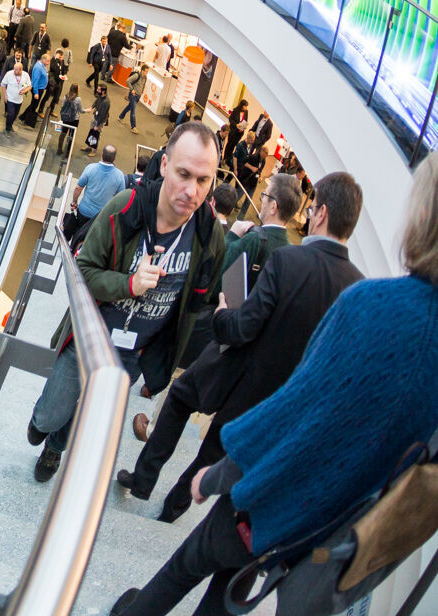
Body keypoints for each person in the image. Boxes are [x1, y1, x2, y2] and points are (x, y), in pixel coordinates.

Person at [109, 155, 438, 616]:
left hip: (273, 488)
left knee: (187, 567)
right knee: (228, 598)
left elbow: (300, 405)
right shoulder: (356, 285)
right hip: (327, 531)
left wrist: (221, 475)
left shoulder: (369, 302)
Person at [117, 173, 359, 524]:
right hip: (273, 390)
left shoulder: (289, 262)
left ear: (320, 213)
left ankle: (143, 480)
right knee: (215, 448)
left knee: (179, 398)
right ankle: (173, 510)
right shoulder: (356, 288)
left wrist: (221, 315)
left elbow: (243, 326)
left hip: (232, 361)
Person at [27, 122, 225, 483]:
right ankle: (44, 424)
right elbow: (81, 272)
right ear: (164, 165)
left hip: (133, 353)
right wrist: (129, 284)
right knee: (52, 413)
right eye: (183, 174)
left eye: (203, 180)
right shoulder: (127, 208)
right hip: (89, 335)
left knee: (86, 419)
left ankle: (54, 448)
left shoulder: (210, 235)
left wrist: (164, 364)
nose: (191, 190)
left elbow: (197, 304)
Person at [68, 145, 127, 246]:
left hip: (84, 211)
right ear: (114, 158)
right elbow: (121, 198)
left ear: (102, 155)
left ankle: (72, 251)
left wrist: (74, 202)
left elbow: (78, 188)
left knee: (78, 234)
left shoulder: (90, 168)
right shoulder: (120, 176)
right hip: (101, 217)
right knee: (93, 241)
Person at [0, 60, 30, 134]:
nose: (14, 71)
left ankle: (10, 125)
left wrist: (25, 91)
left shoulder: (25, 75)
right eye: (14, 69)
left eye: (16, 70)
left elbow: (29, 86)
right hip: (10, 98)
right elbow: (3, 85)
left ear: (21, 70)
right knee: (11, 114)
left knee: (15, 115)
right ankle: (7, 128)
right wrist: (5, 95)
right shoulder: (9, 74)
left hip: (19, 100)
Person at [19, 53, 49, 128]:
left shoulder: (42, 65)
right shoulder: (39, 68)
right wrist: (36, 93)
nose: (49, 63)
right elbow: (35, 81)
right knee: (34, 105)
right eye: (48, 61)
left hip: (40, 88)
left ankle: (23, 116)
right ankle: (27, 119)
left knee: (34, 104)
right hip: (37, 89)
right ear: (43, 60)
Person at [82, 84, 110, 156]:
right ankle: (89, 146)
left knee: (96, 135)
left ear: (103, 91)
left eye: (99, 89)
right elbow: (96, 101)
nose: (97, 90)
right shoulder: (100, 96)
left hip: (99, 121)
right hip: (95, 117)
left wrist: (97, 125)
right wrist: (91, 107)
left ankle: (94, 151)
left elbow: (102, 115)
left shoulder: (106, 102)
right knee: (91, 132)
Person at [119, 62, 146, 133]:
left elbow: (142, 85)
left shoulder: (145, 78)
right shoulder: (137, 76)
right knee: (133, 111)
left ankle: (120, 117)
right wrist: (132, 89)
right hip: (133, 95)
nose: (146, 73)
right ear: (142, 70)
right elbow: (128, 81)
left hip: (138, 96)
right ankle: (133, 127)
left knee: (129, 107)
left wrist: (141, 92)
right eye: (146, 71)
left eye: (147, 72)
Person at [57, 84, 83, 155]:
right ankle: (68, 152)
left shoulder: (66, 96)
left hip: (65, 118)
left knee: (63, 133)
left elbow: (63, 106)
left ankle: (59, 149)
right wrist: (87, 110)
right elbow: (81, 110)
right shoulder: (78, 99)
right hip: (74, 119)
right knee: (71, 136)